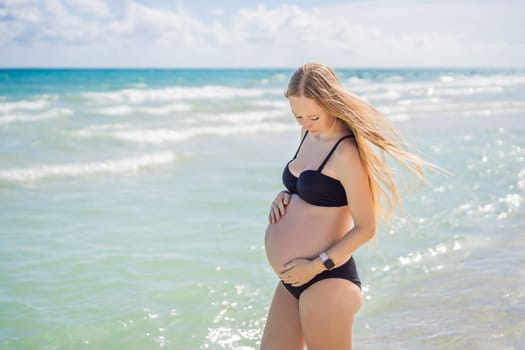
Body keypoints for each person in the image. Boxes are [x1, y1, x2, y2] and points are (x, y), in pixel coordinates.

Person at [261, 63, 426, 350]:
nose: (305, 123)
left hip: (326, 279)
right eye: (297, 116)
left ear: (330, 103)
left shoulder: (346, 151)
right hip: (293, 279)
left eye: (313, 115)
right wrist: (285, 194)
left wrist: (314, 266)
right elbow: (307, 186)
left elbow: (366, 228)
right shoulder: (307, 134)